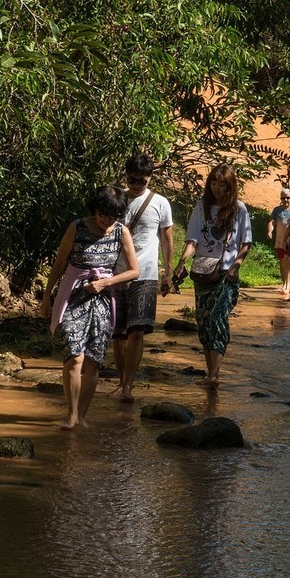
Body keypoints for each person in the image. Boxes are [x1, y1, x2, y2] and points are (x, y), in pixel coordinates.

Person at [40, 187, 140, 429]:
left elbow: (134, 270)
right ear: (95, 209)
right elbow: (60, 262)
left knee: (94, 361)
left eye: (113, 216)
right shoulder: (77, 227)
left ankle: (82, 416)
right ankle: (71, 414)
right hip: (73, 295)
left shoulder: (120, 232)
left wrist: (106, 282)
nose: (107, 220)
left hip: (102, 300)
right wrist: (46, 296)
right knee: (74, 356)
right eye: (103, 214)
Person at [174, 164, 252, 388]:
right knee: (203, 321)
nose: (217, 188)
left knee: (218, 320)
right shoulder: (202, 207)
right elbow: (192, 241)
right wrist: (181, 263)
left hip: (226, 275)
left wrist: (236, 266)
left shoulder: (239, 209)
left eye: (222, 184)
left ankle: (214, 375)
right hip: (202, 273)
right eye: (213, 183)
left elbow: (246, 243)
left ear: (230, 186)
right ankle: (210, 373)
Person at [111, 153, 174, 404]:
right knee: (118, 334)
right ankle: (120, 380)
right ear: (126, 176)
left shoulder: (160, 203)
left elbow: (167, 239)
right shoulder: (116, 199)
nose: (137, 184)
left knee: (137, 331)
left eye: (142, 180)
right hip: (115, 272)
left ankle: (128, 386)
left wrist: (168, 273)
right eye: (132, 179)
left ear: (150, 178)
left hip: (146, 273)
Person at [268, 187, 290, 296]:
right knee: (282, 263)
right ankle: (284, 283)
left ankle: (287, 286)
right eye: (283, 198)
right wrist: (270, 231)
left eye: (288, 198)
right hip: (279, 241)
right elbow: (271, 222)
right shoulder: (277, 210)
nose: (286, 200)